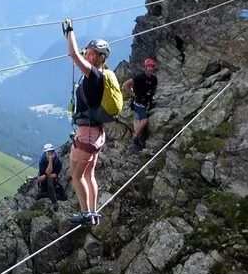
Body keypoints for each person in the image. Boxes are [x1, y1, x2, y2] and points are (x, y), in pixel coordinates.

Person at [62, 19, 111, 226]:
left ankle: (86, 214)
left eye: (92, 54)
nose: (87, 56)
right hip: (96, 133)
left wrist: (69, 31)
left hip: (88, 133)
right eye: (87, 53)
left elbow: (74, 54)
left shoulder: (93, 74)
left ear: (101, 58)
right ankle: (93, 212)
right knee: (89, 174)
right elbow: (78, 54)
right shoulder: (100, 75)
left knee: (76, 175)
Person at [122, 58, 158, 155]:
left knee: (144, 119)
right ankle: (135, 138)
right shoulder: (140, 77)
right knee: (144, 120)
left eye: (152, 67)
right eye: (149, 67)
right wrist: (133, 94)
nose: (150, 69)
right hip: (138, 103)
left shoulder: (154, 79)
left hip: (147, 103)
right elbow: (126, 85)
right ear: (145, 67)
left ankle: (137, 138)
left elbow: (154, 90)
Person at [35, 143, 66, 208]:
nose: (51, 153)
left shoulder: (57, 162)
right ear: (46, 153)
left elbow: (54, 175)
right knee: (49, 179)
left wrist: (50, 162)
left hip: (52, 183)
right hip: (44, 184)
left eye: (52, 151)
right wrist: (50, 162)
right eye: (49, 152)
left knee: (62, 195)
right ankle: (54, 201)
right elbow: (44, 175)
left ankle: (43, 195)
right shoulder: (42, 162)